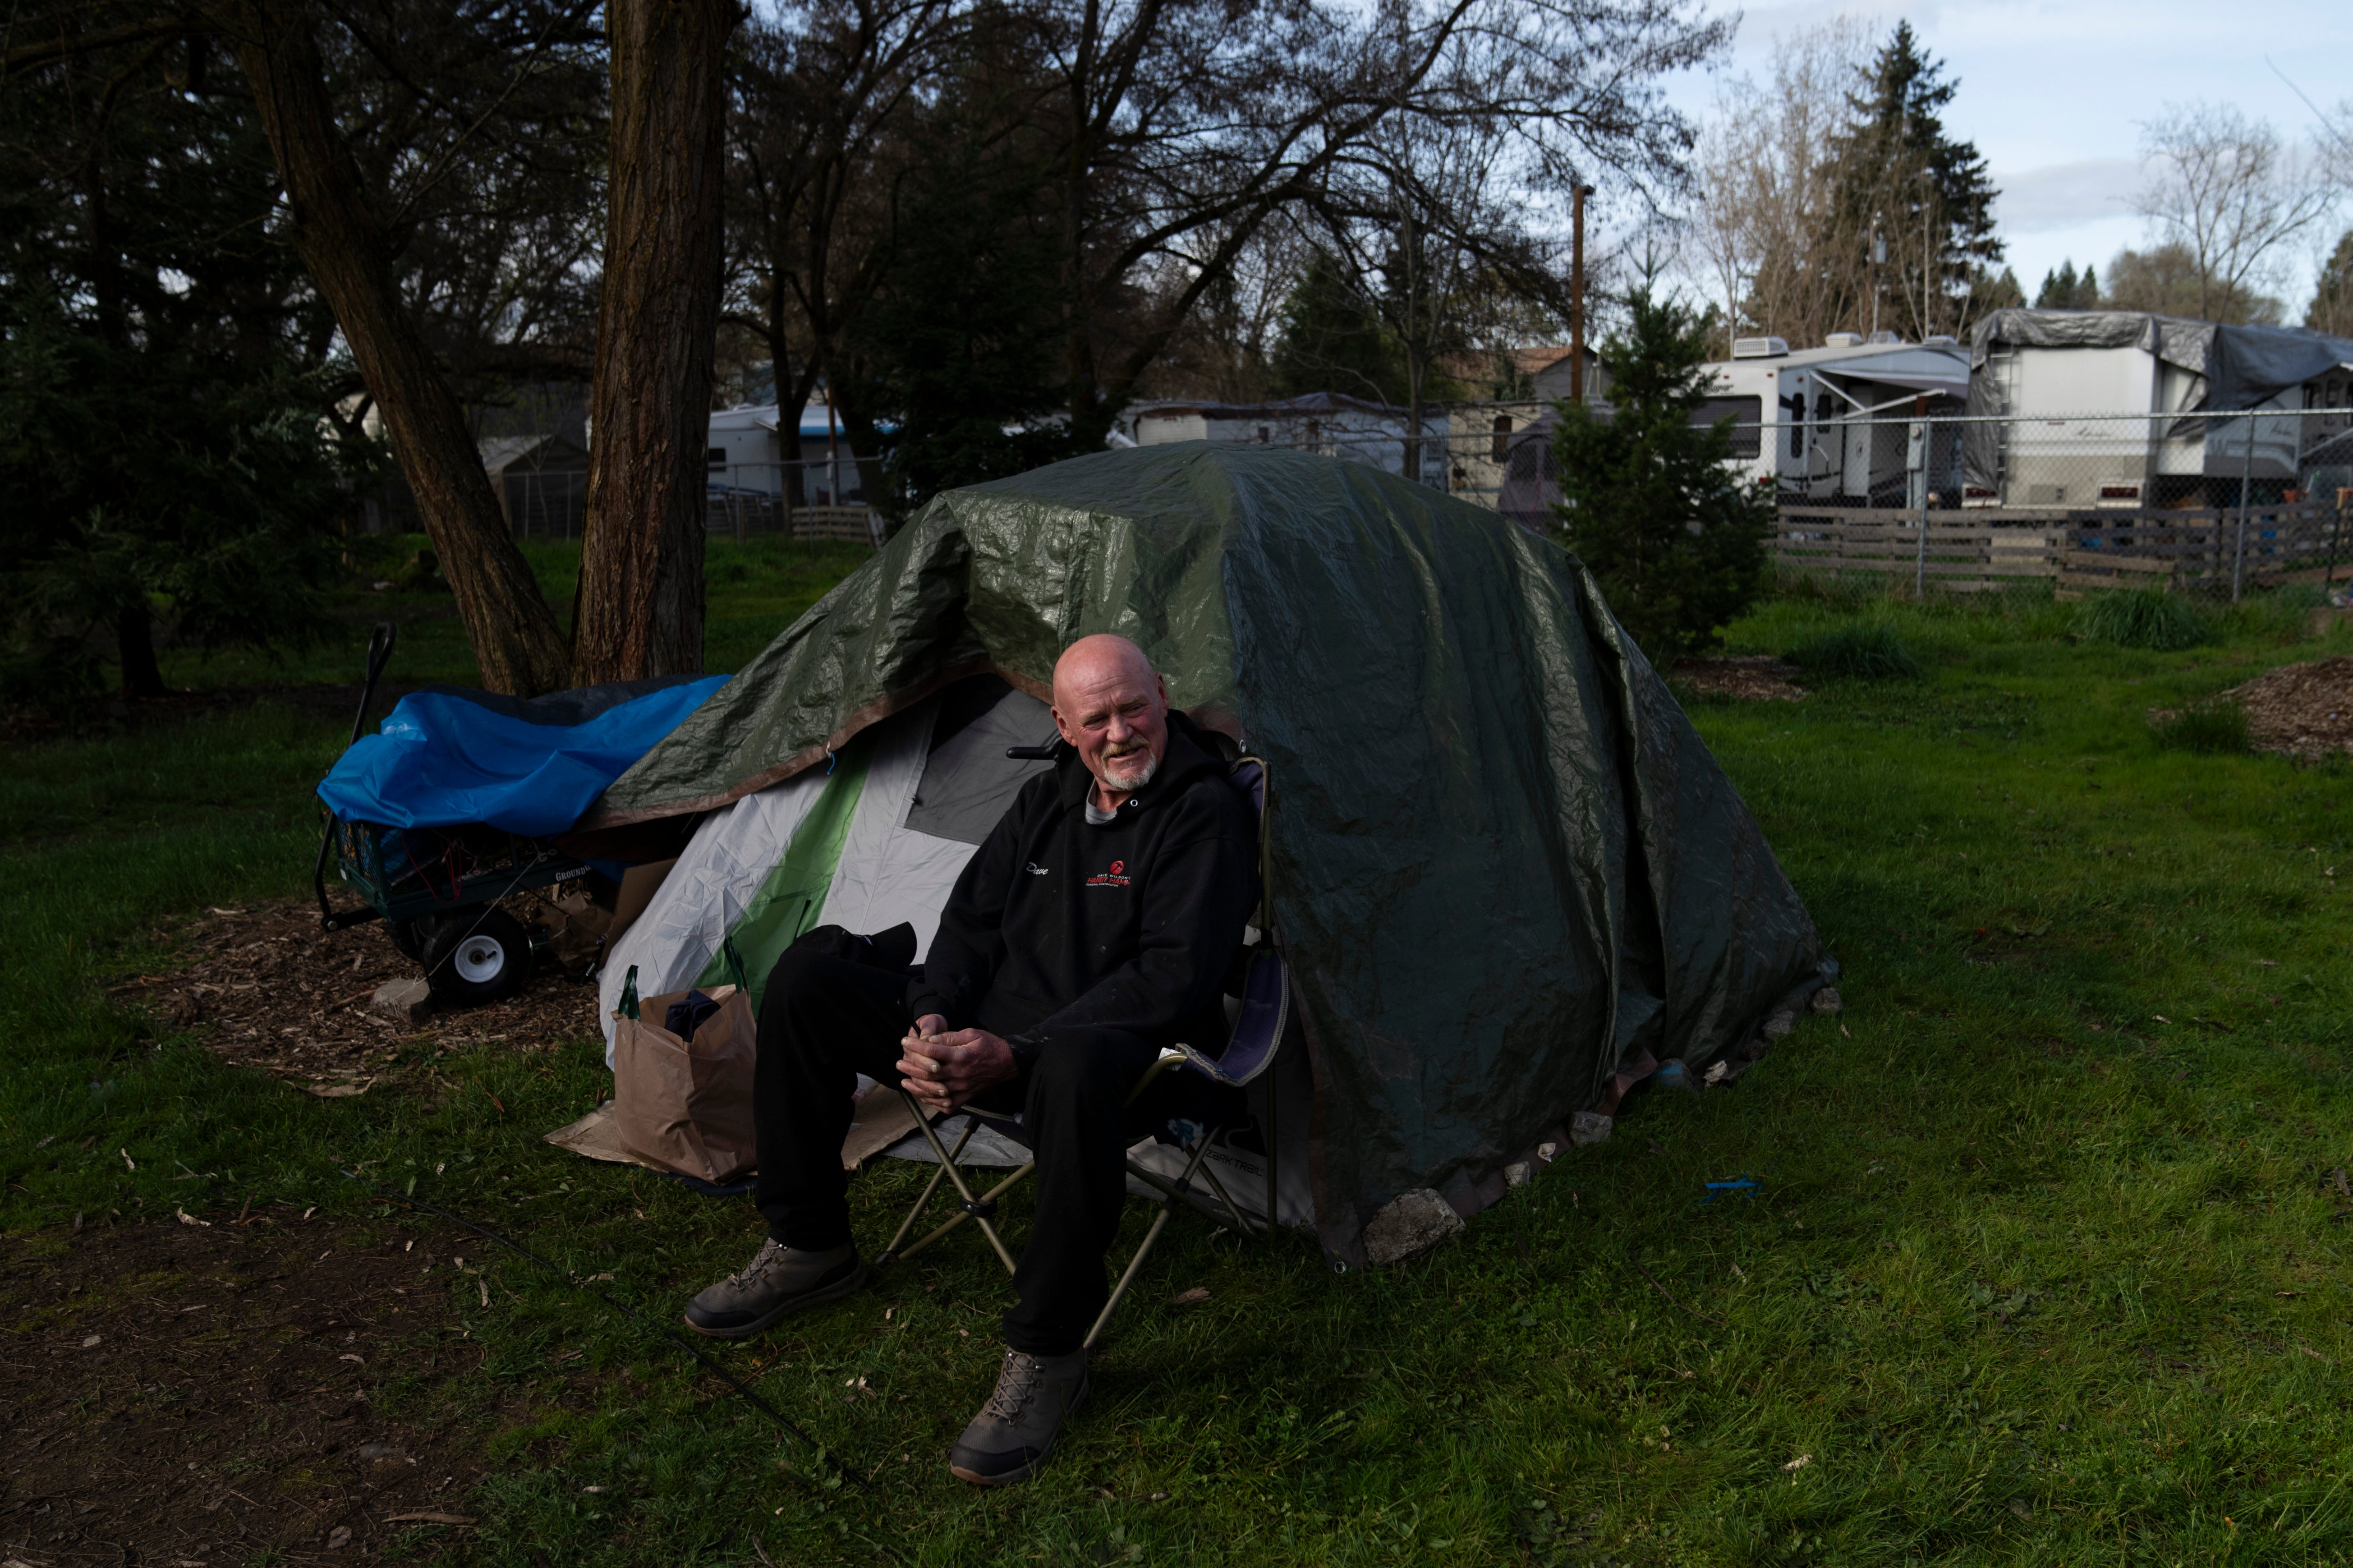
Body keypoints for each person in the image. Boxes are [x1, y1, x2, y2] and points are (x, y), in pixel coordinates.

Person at [681, 633, 1258, 1486]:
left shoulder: (1201, 811)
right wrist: (931, 1021)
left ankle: (1048, 1351)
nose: (1120, 732)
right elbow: (968, 926)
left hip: (1118, 1063)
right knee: (808, 977)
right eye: (1094, 717)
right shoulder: (1045, 800)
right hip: (986, 1036)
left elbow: (1173, 977)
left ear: (1162, 696)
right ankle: (809, 1244)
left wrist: (1015, 1050)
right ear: (1062, 725)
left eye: (1133, 707)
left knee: (1069, 1066)